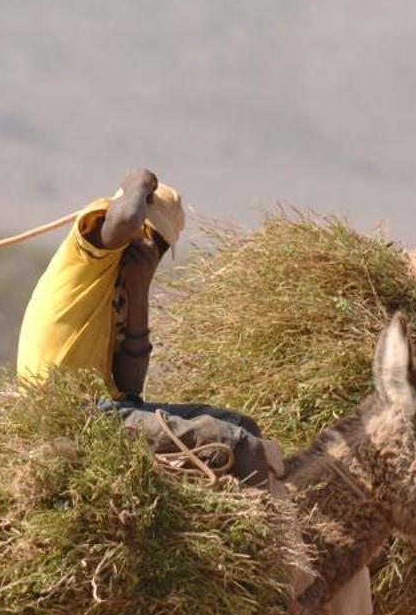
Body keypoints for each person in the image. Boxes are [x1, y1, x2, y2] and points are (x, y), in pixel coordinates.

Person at [14, 168, 285, 486]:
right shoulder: (91, 254)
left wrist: (139, 292)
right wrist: (139, 182)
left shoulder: (123, 287)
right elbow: (126, 218)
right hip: (71, 413)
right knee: (241, 444)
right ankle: (273, 530)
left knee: (244, 425)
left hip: (109, 408)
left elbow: (130, 389)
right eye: (149, 235)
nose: (151, 249)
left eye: (159, 244)